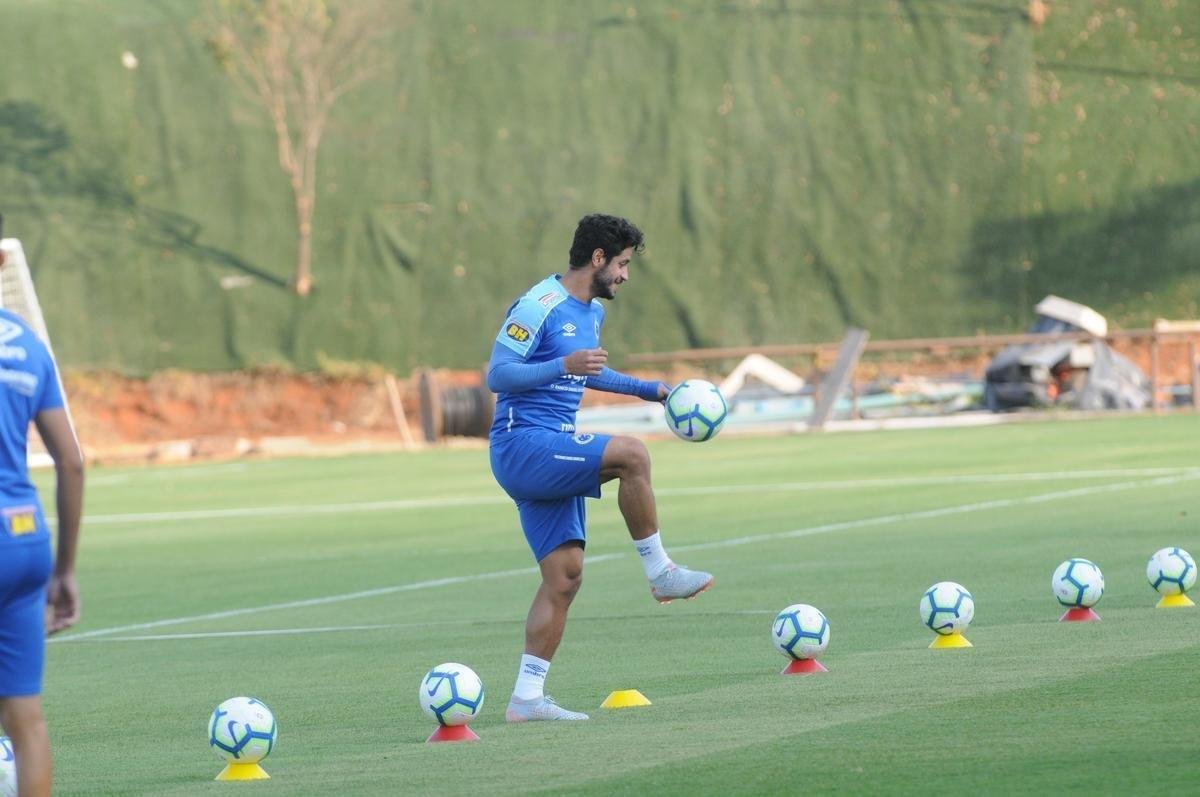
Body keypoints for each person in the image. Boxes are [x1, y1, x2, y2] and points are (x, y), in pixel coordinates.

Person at [487, 213, 713, 723]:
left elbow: (592, 371)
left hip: (555, 446)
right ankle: (660, 572)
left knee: (564, 578)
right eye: (623, 264)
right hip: (522, 444)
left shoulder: (591, 313)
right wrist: (560, 367)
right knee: (632, 454)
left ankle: (526, 699)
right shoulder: (537, 304)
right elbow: (497, 374)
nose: (625, 276)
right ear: (598, 259)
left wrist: (653, 390)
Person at [0, 244, 85, 797]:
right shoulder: (27, 343)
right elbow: (72, 461)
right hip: (24, 540)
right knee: (27, 722)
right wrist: (65, 569)